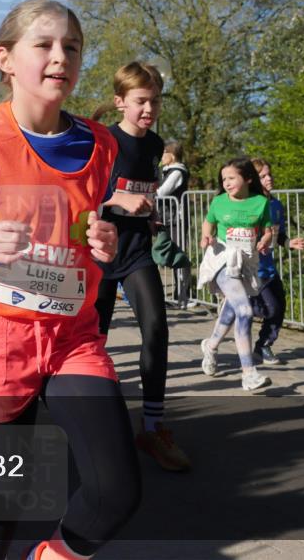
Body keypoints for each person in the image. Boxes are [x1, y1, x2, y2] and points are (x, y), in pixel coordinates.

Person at [0, 0, 142, 560]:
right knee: (2, 496)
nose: (60, 57)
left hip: (72, 333)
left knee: (116, 491)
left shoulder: (102, 143)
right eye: (43, 44)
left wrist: (102, 241)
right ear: (5, 59)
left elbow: (85, 227)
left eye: (72, 47)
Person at [93, 61, 191, 473]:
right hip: (98, 254)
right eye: (141, 101)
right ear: (120, 102)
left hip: (136, 252)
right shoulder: (102, 140)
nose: (149, 109)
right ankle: (94, 426)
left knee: (156, 328)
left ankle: (152, 428)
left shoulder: (155, 145)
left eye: (155, 101)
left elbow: (142, 190)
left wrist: (149, 215)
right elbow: (81, 197)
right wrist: (118, 200)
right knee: (93, 343)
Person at [218, 158, 304, 365]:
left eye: (270, 174)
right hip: (251, 268)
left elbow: (278, 234)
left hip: (269, 268)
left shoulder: (275, 205)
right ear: (251, 179)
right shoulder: (247, 205)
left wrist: (289, 243)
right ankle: (236, 308)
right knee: (269, 308)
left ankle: (263, 345)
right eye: (263, 176)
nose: (269, 179)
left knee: (279, 307)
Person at [197, 158, 274, 392]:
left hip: (247, 262)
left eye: (231, 178)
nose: (227, 183)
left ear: (248, 178)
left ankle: (210, 346)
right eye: (224, 179)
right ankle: (249, 373)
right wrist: (206, 237)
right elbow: (208, 223)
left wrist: (265, 240)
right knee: (245, 310)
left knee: (232, 309)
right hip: (222, 259)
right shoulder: (219, 201)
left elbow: (268, 230)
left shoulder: (261, 202)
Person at [157, 141, 191, 307]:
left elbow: (162, 192)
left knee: (179, 254)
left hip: (176, 219)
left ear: (172, 155)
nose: (162, 156)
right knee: (170, 254)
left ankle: (183, 295)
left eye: (164, 153)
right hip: (167, 219)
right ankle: (176, 295)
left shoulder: (177, 171)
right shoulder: (167, 171)